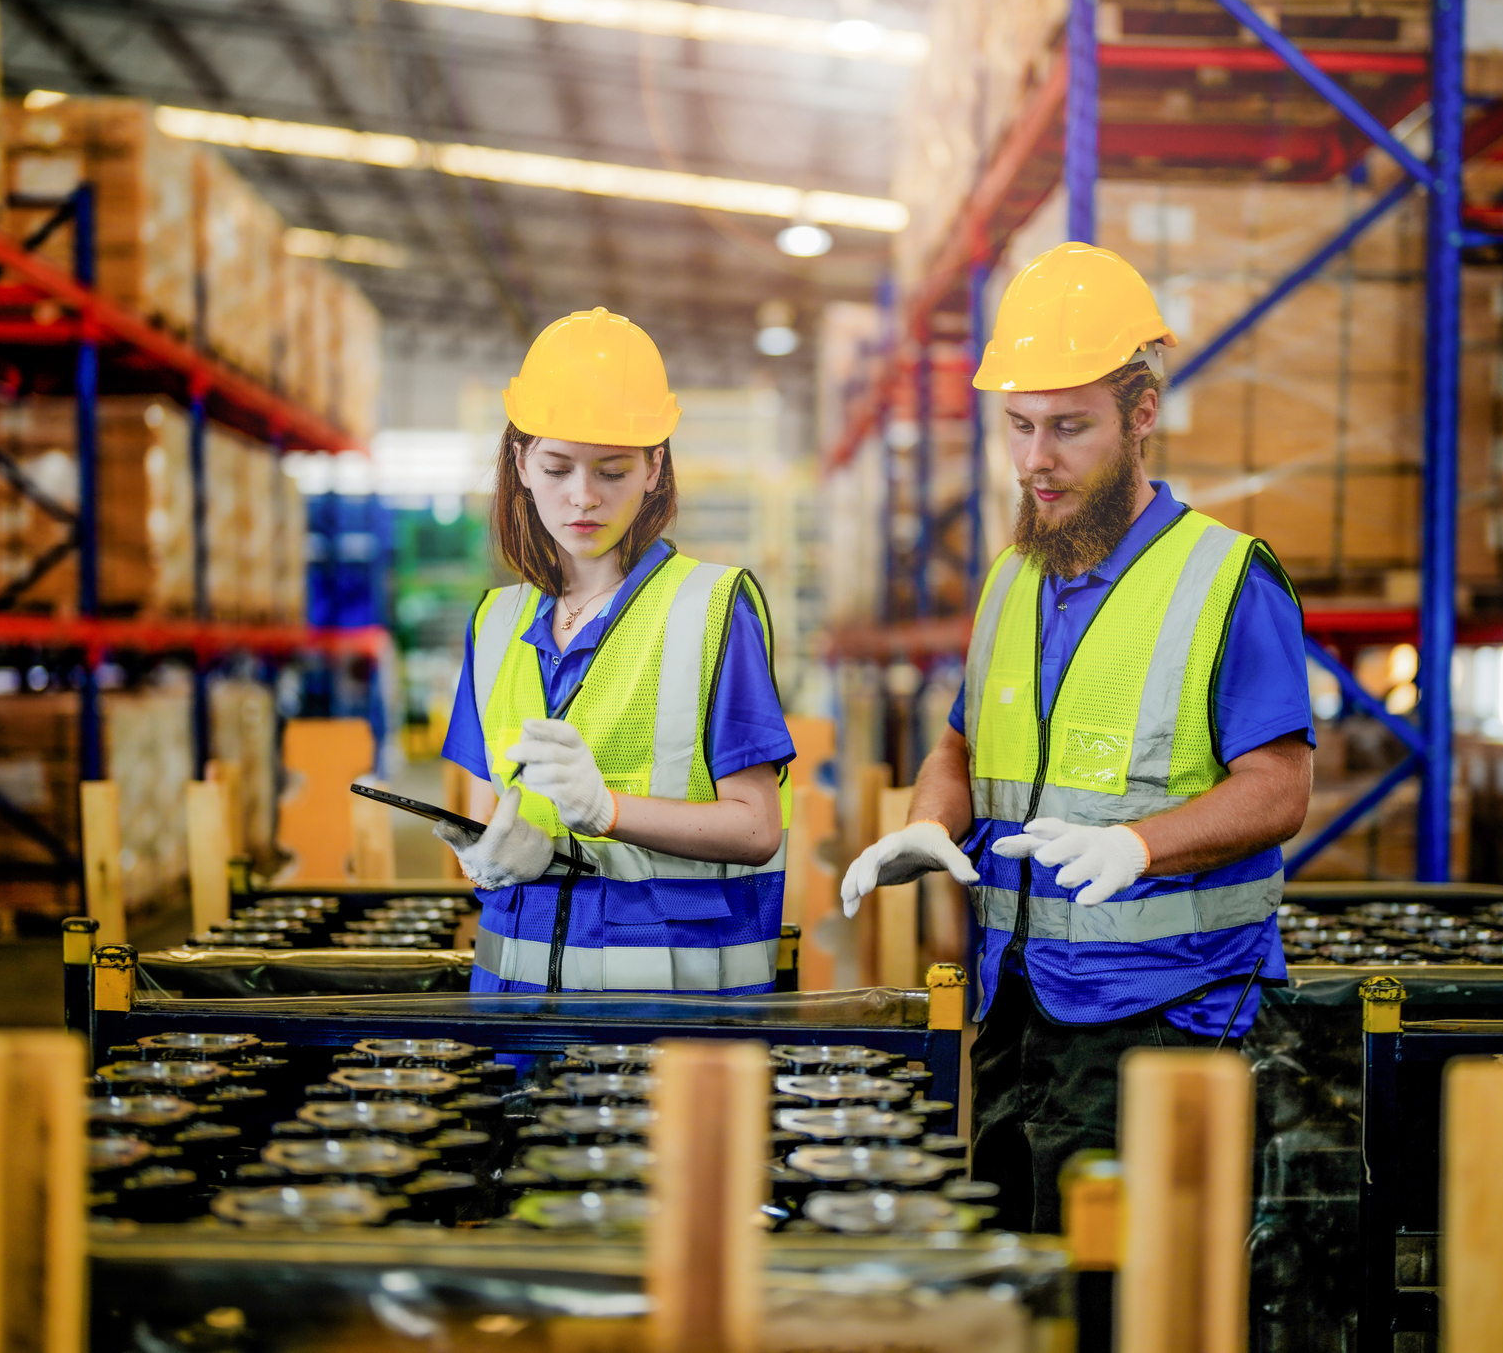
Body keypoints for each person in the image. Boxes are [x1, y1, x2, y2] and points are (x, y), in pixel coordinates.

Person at [839, 243, 1315, 1232]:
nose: (1035, 460)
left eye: (1068, 427)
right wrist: (932, 822)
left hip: (1170, 1016)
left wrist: (1138, 845)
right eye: (1017, 426)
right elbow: (963, 745)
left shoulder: (1226, 581)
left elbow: (1280, 788)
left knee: (1131, 1306)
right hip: (1018, 1003)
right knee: (1023, 1281)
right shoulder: (1013, 578)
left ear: (1141, 412)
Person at [436, 307, 795, 994]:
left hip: (670, 1015)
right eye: (557, 467)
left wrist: (606, 812)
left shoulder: (712, 610)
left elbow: (756, 830)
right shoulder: (495, 624)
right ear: (520, 462)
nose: (581, 497)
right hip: (519, 1007)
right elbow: (484, 811)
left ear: (655, 466)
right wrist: (495, 853)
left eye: (611, 471)